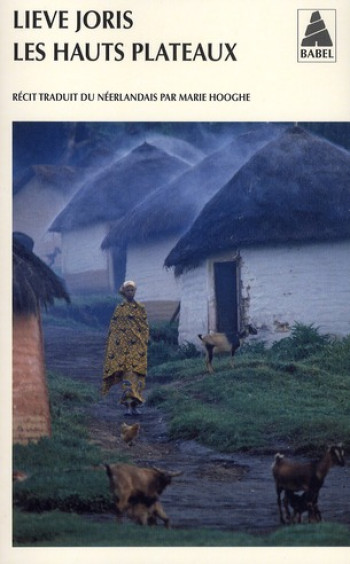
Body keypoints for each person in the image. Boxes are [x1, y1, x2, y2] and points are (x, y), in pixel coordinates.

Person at [102, 280, 149, 416]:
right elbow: (114, 328)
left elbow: (145, 327)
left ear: (135, 292)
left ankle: (135, 406)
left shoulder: (141, 308)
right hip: (124, 350)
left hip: (138, 350)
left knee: (138, 379)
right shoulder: (119, 309)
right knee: (128, 378)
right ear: (124, 292)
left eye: (132, 290)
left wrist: (144, 342)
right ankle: (128, 406)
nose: (130, 292)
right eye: (127, 290)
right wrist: (114, 346)